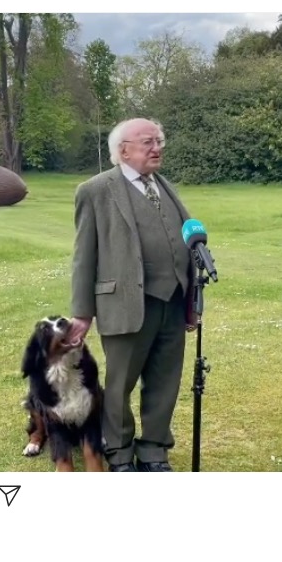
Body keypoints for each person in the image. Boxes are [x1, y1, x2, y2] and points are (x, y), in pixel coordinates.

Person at [68, 117, 197, 472]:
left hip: (171, 302)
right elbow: (84, 257)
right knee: (120, 384)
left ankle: (154, 450)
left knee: (165, 380)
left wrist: (191, 302)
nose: (157, 148)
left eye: (159, 142)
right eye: (148, 142)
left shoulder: (163, 185)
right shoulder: (95, 191)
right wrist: (82, 312)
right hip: (124, 304)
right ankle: (120, 452)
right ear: (123, 150)